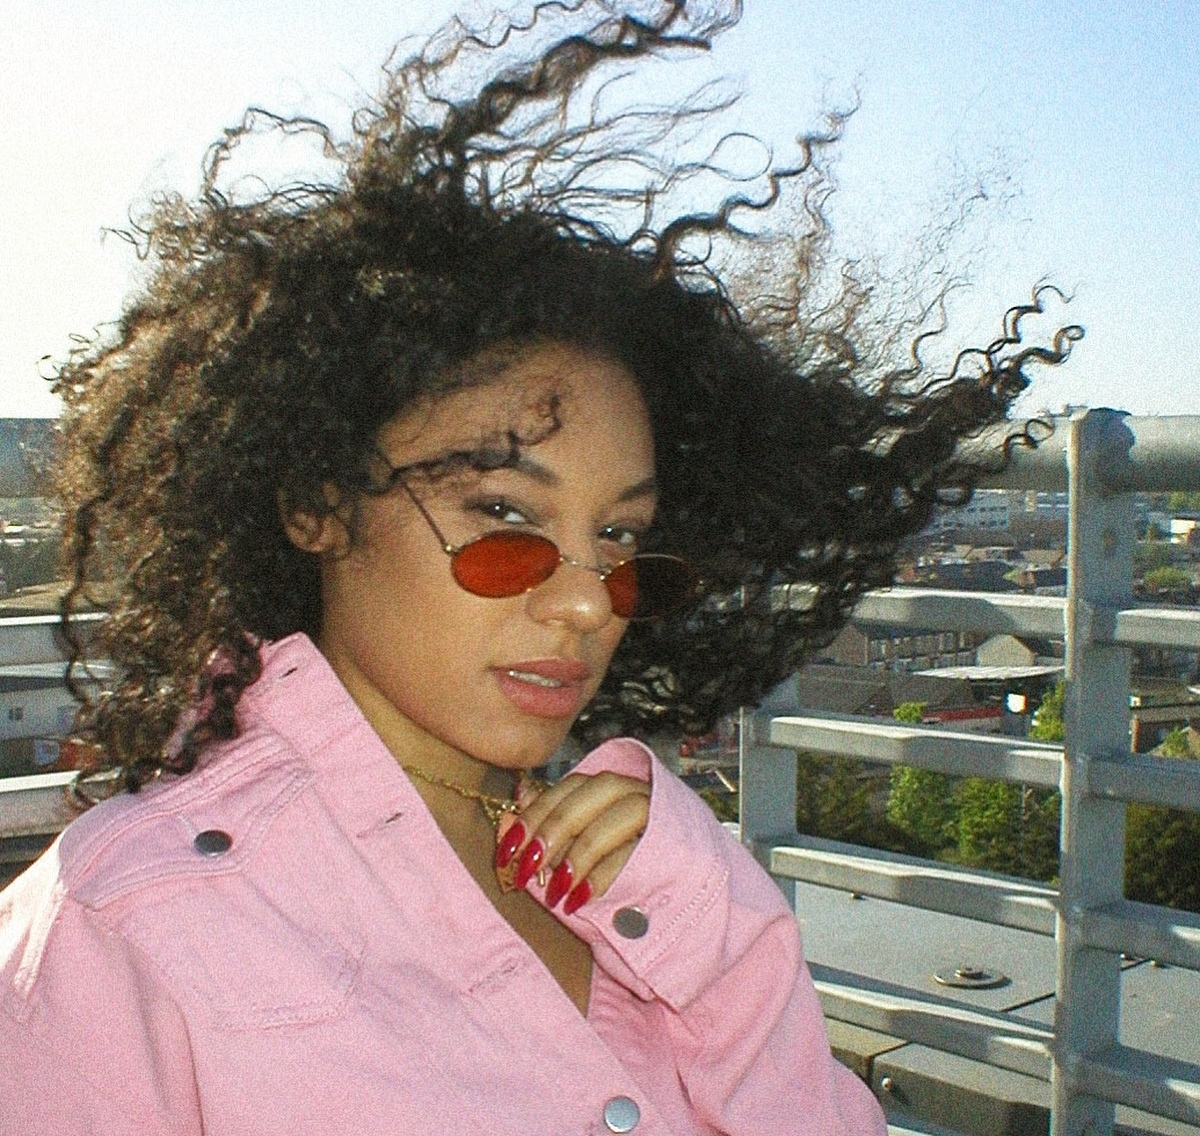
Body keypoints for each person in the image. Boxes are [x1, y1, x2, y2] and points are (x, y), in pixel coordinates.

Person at [0, 2, 1078, 1132]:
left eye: (621, 540)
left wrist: (715, 923)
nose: (584, 602)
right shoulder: (123, 930)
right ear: (317, 501)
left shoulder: (658, 881)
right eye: (507, 517)